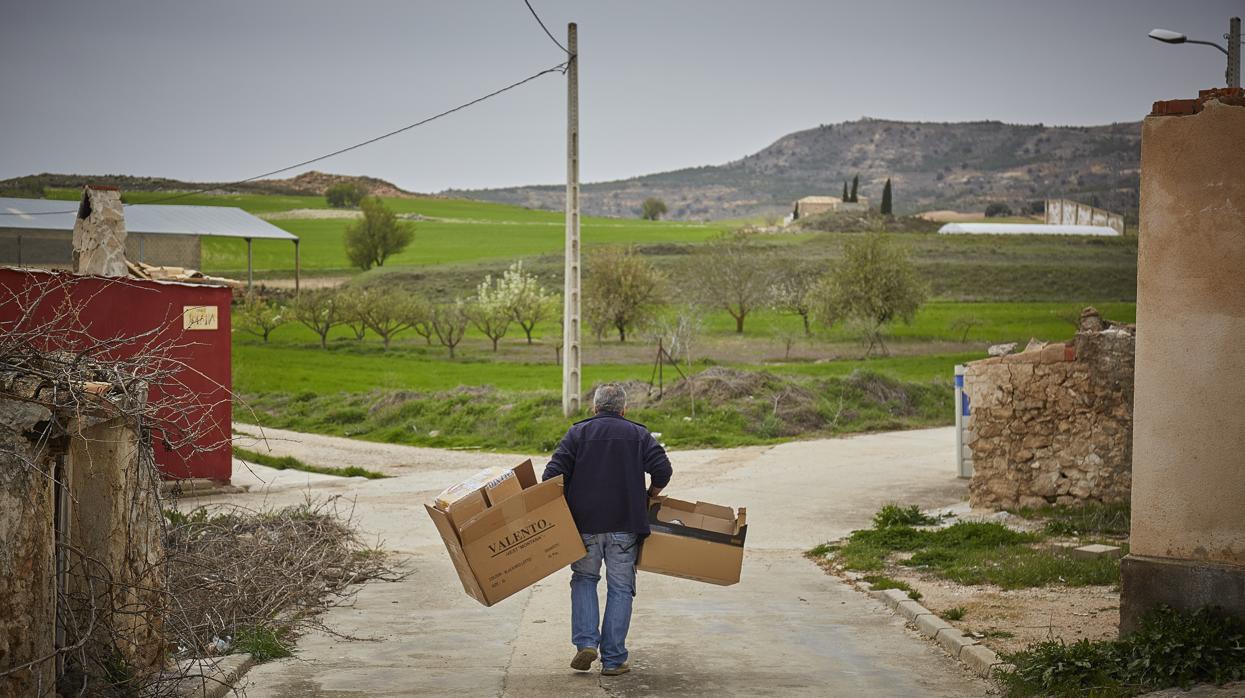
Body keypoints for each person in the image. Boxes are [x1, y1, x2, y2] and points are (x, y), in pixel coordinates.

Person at [542, 383, 672, 677]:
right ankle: (613, 660)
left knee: (584, 579)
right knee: (621, 589)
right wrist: (650, 494)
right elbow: (663, 469)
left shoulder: (577, 433)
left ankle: (586, 643)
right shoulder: (638, 434)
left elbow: (551, 476)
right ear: (624, 410)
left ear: (594, 408)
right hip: (625, 527)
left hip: (583, 526)